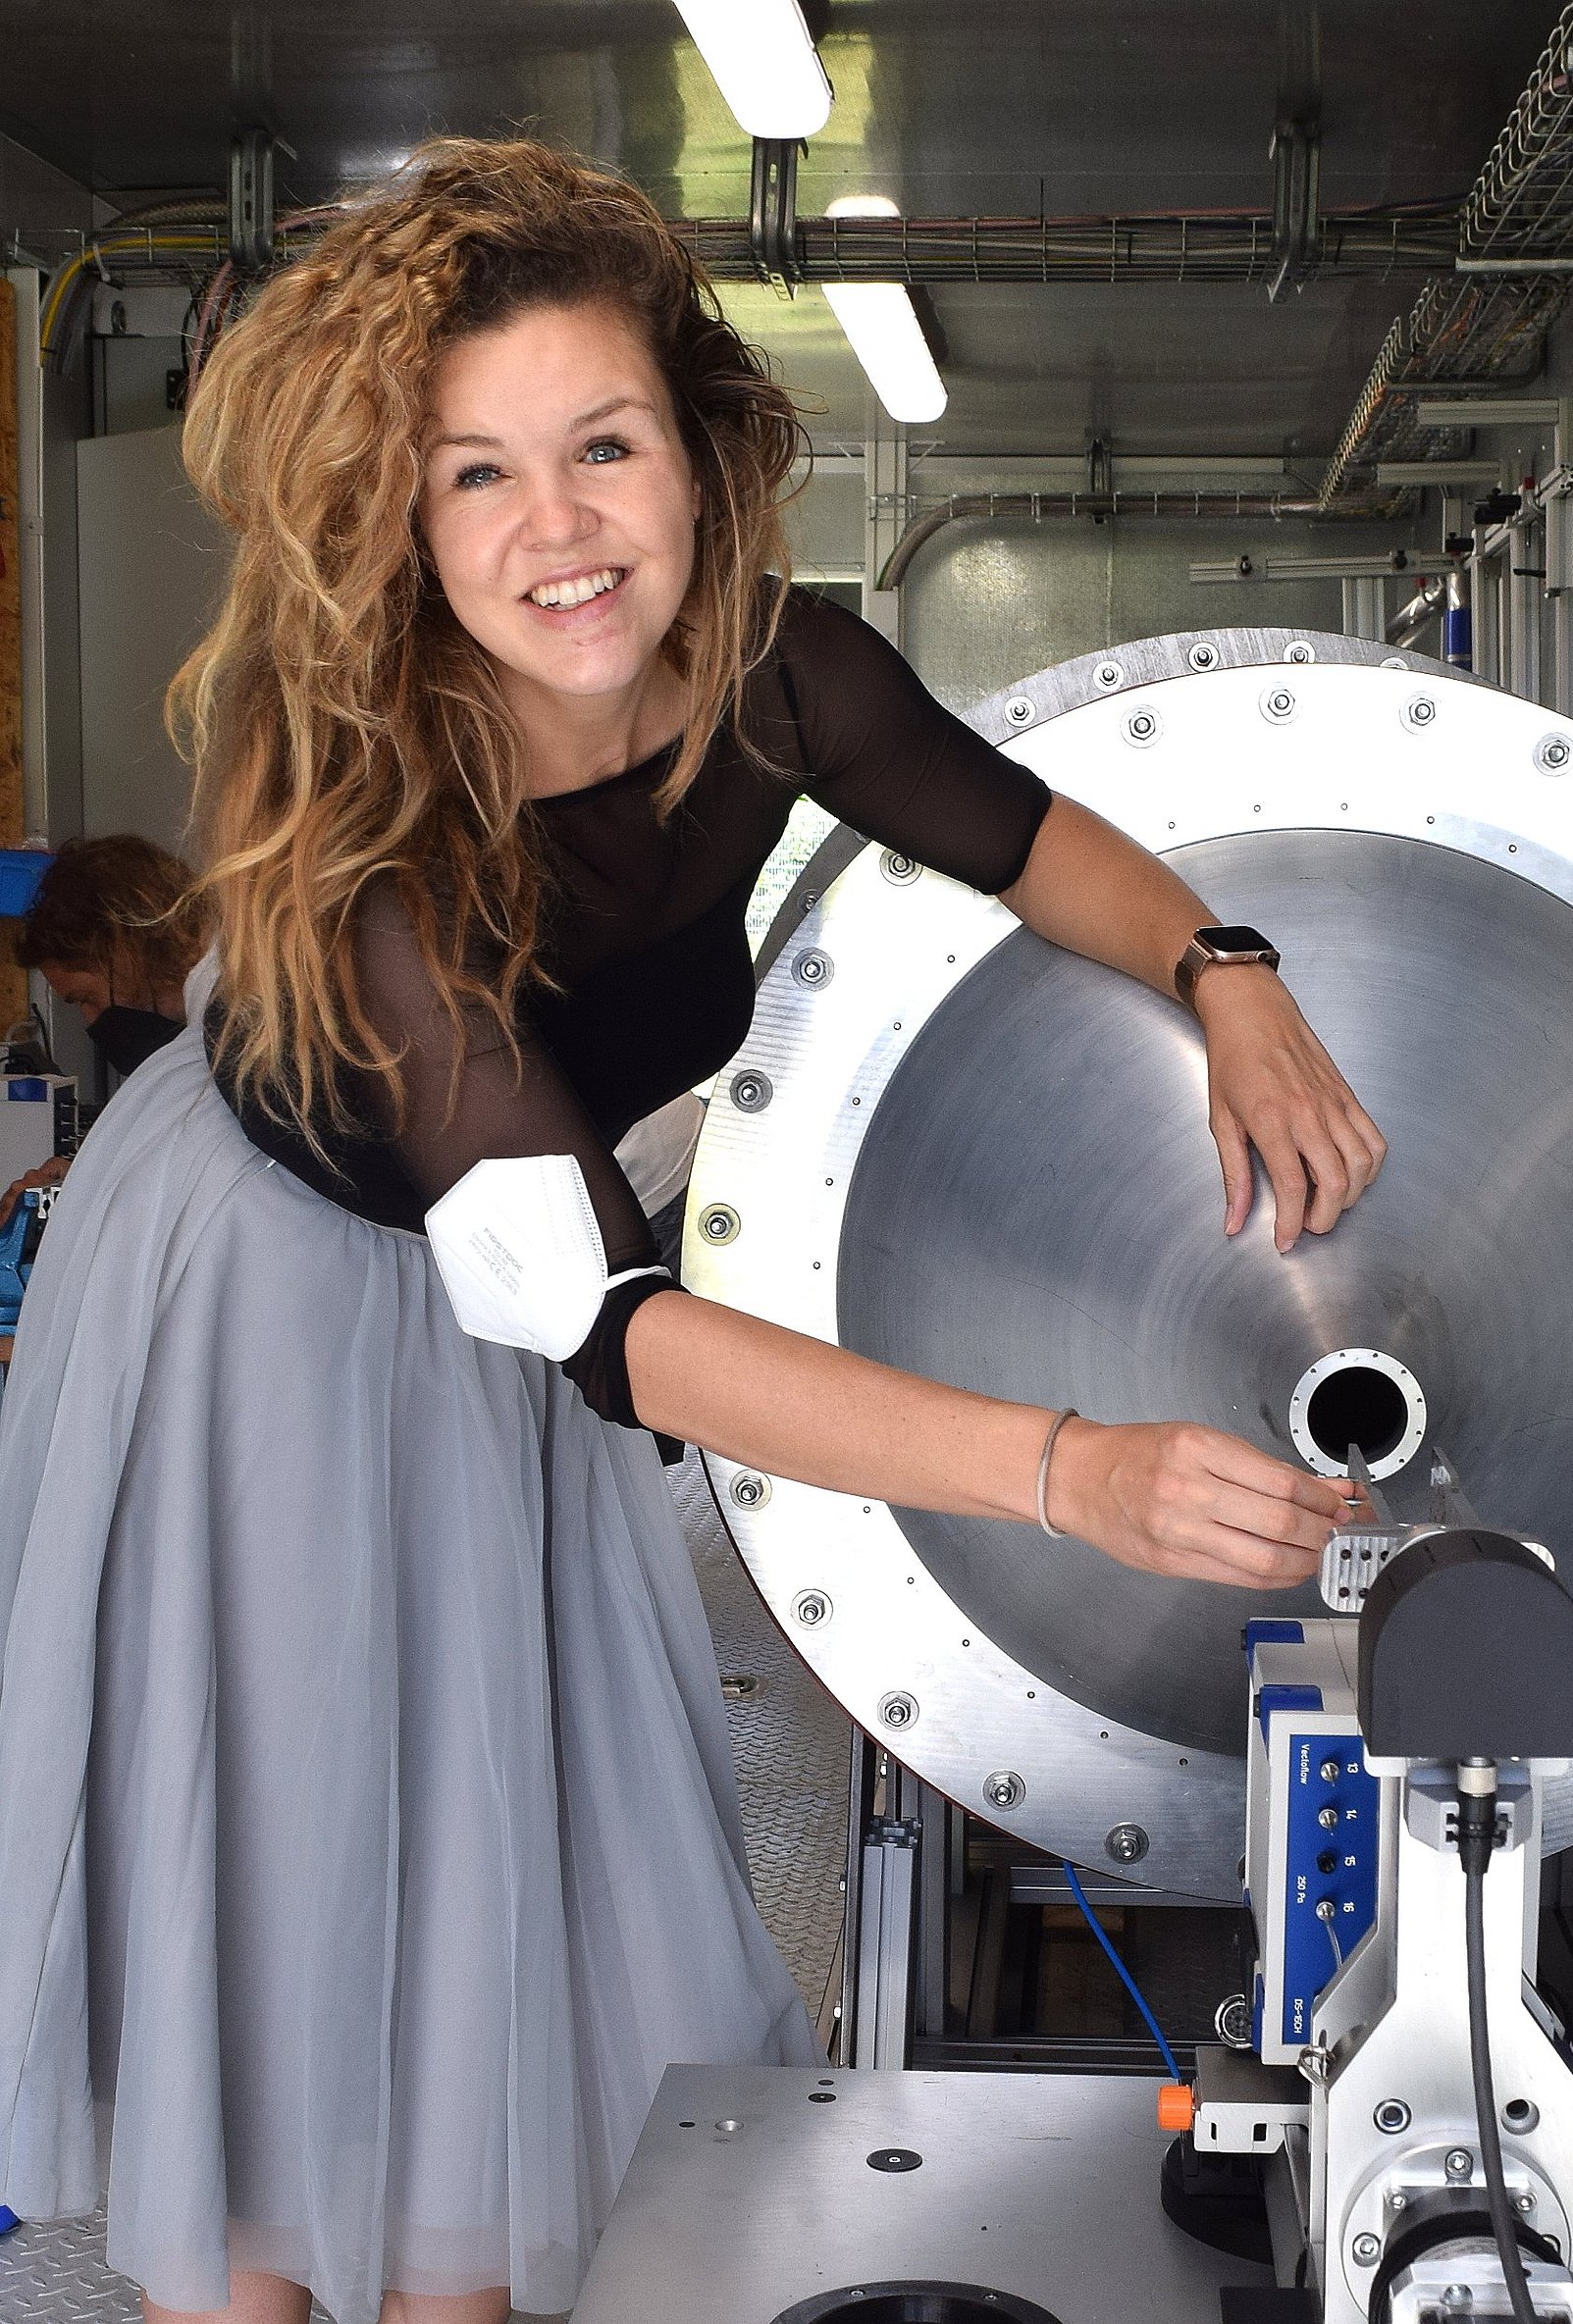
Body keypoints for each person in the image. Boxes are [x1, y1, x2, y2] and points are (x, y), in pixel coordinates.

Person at [0, 139, 1386, 2324]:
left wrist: (1229, 972)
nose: (556, 527)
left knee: (481, 1894)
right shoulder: (380, 835)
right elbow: (619, 1330)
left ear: (700, 448)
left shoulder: (776, 673)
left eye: (602, 444)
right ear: (393, 517)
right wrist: (1071, 1469)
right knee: (288, 1906)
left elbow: (1027, 837)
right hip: (272, 1294)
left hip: (503, 1281)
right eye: (474, 473)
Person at [0, 835, 207, 1216]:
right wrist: (87, 1182)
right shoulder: (197, 1043)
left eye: (85, 998)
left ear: (123, 947)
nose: (90, 1021)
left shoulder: (246, 1040)